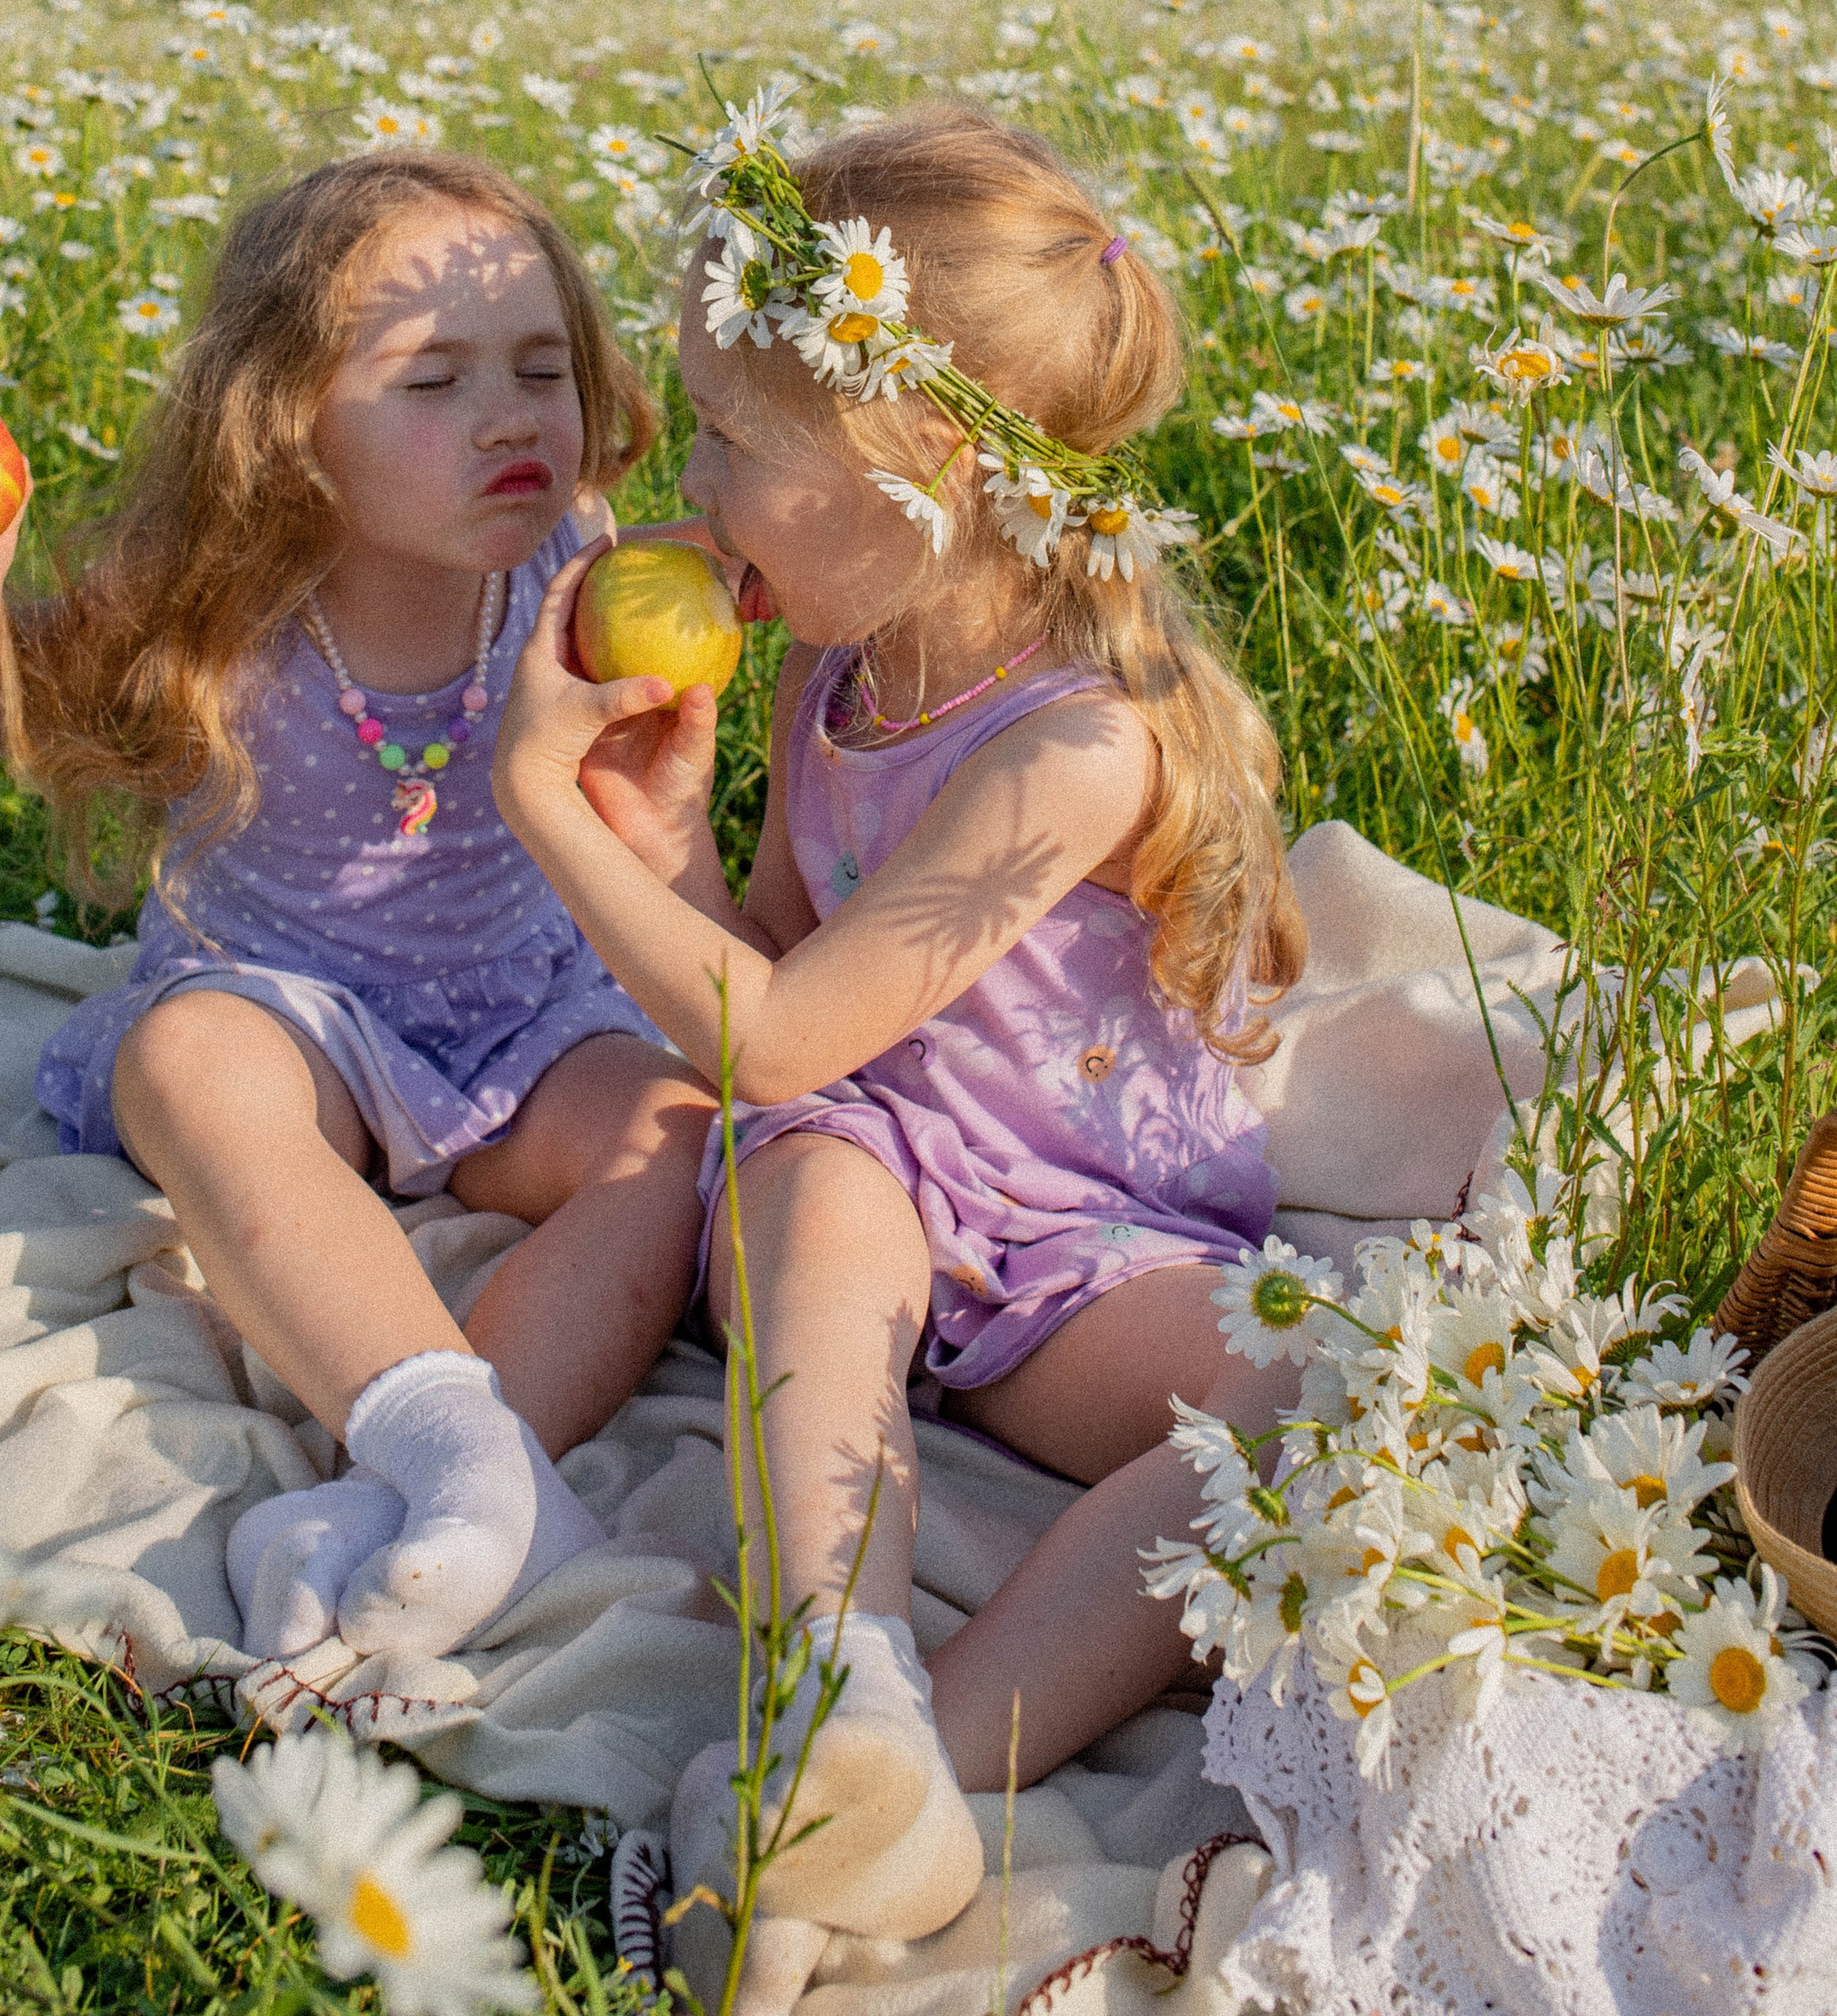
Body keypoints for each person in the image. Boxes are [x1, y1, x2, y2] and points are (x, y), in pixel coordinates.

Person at [494, 95, 1306, 1942]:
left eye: (722, 436)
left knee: (1298, 1413)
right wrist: (668, 834)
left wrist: (544, 811)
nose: (685, 488)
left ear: (909, 458)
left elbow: (767, 1026)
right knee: (804, 1191)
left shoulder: (1075, 746)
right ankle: (828, 1671)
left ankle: (916, 1760)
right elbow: (773, 996)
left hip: (1080, 1249)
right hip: (865, 1164)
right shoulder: (837, 674)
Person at [0, 147, 716, 1668]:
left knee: (673, 1134)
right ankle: (453, 1450)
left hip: (528, 1018)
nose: (509, 416)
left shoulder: (588, 567)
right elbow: (15, 714)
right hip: (287, 1011)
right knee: (186, 1066)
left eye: (541, 368)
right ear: (288, 430)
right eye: (430, 381)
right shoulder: (220, 600)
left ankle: (452, 1493)